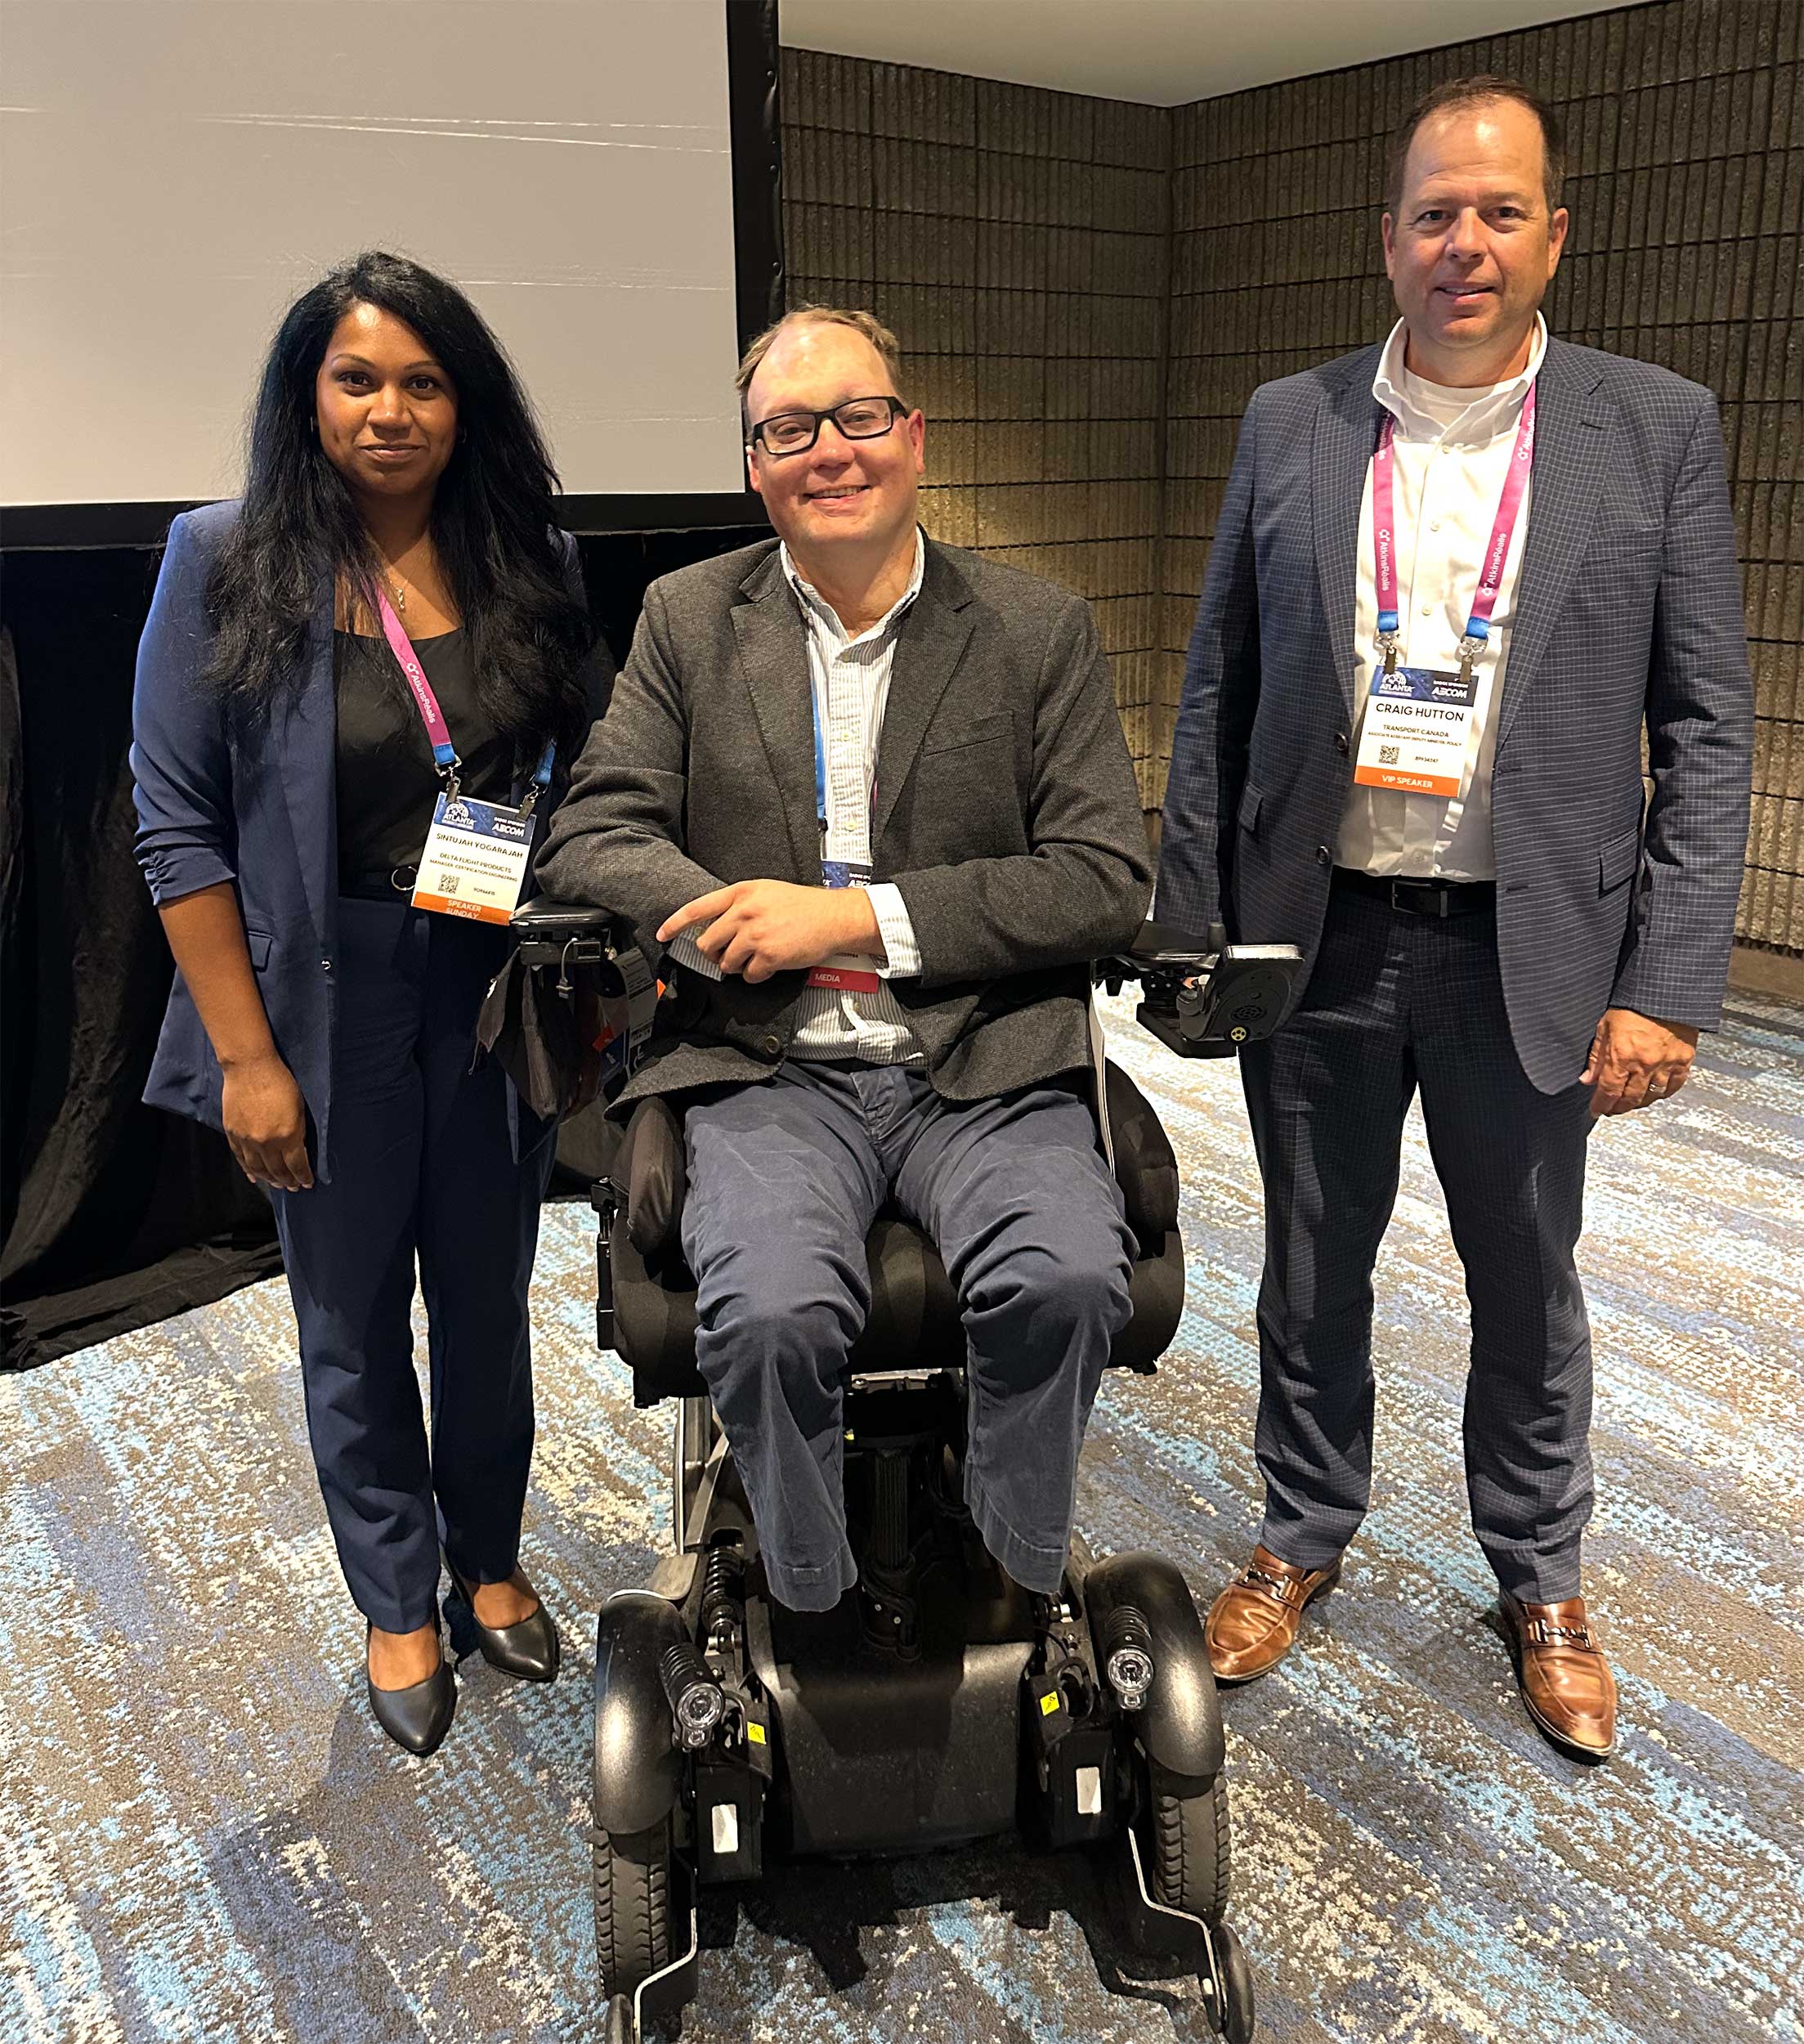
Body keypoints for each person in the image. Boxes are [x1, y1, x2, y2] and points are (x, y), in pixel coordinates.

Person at [1157, 78, 1753, 1759]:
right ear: (1390, 240)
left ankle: (1541, 1570)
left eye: (1500, 211)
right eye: (1435, 213)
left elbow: (1708, 724)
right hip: (1326, 926)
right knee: (1309, 1259)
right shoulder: (1296, 420)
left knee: (1525, 1269)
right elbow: (1219, 692)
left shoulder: (1655, 427)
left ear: (1556, 232)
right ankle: (1301, 1526)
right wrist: (1193, 929)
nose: (1466, 243)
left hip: (1531, 942)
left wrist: (1672, 984)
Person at [539, 307, 1152, 1620]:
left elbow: (1105, 877)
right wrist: (726, 913)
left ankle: (1007, 1562)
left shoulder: (1035, 630)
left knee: (1069, 1279)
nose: (830, 450)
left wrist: (853, 923)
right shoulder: (688, 619)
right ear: (756, 465)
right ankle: (809, 1589)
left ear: (913, 437)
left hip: (982, 1060)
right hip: (767, 1071)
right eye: (788, 429)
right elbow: (595, 828)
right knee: (762, 1320)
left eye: (859, 416)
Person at [132, 251, 611, 1755]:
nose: (391, 410)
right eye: (358, 379)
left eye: (423, 381)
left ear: (465, 404)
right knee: (348, 1320)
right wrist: (245, 1059)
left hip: (489, 985)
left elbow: (589, 776)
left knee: (486, 1303)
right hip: (319, 995)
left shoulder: (530, 554)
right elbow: (175, 827)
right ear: (307, 397)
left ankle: (486, 1559)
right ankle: (395, 1595)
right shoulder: (223, 558)